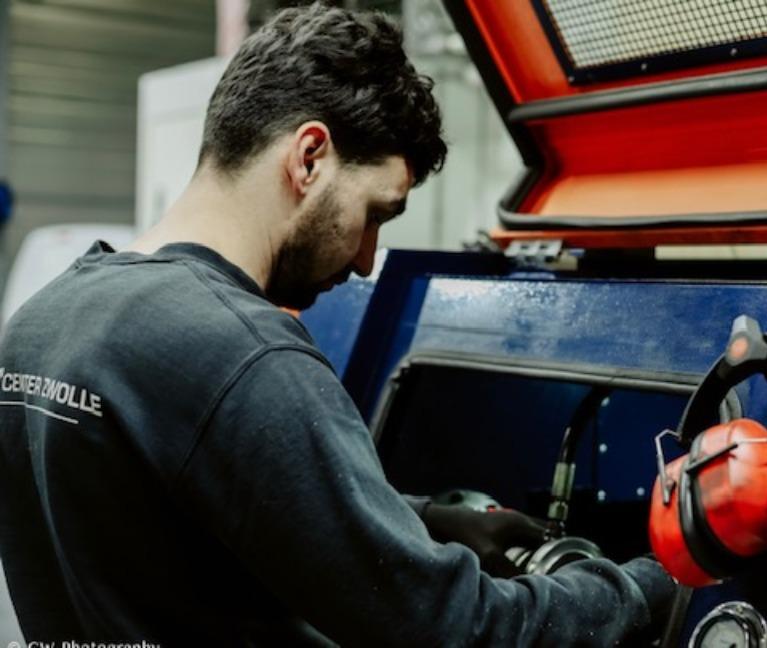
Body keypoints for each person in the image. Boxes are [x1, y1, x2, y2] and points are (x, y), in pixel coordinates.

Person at [0, 3, 675, 645]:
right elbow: (454, 629)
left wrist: (424, 522)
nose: (365, 259)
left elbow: (206, 520)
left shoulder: (42, 321)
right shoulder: (246, 358)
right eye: (376, 213)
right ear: (309, 157)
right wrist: (656, 584)